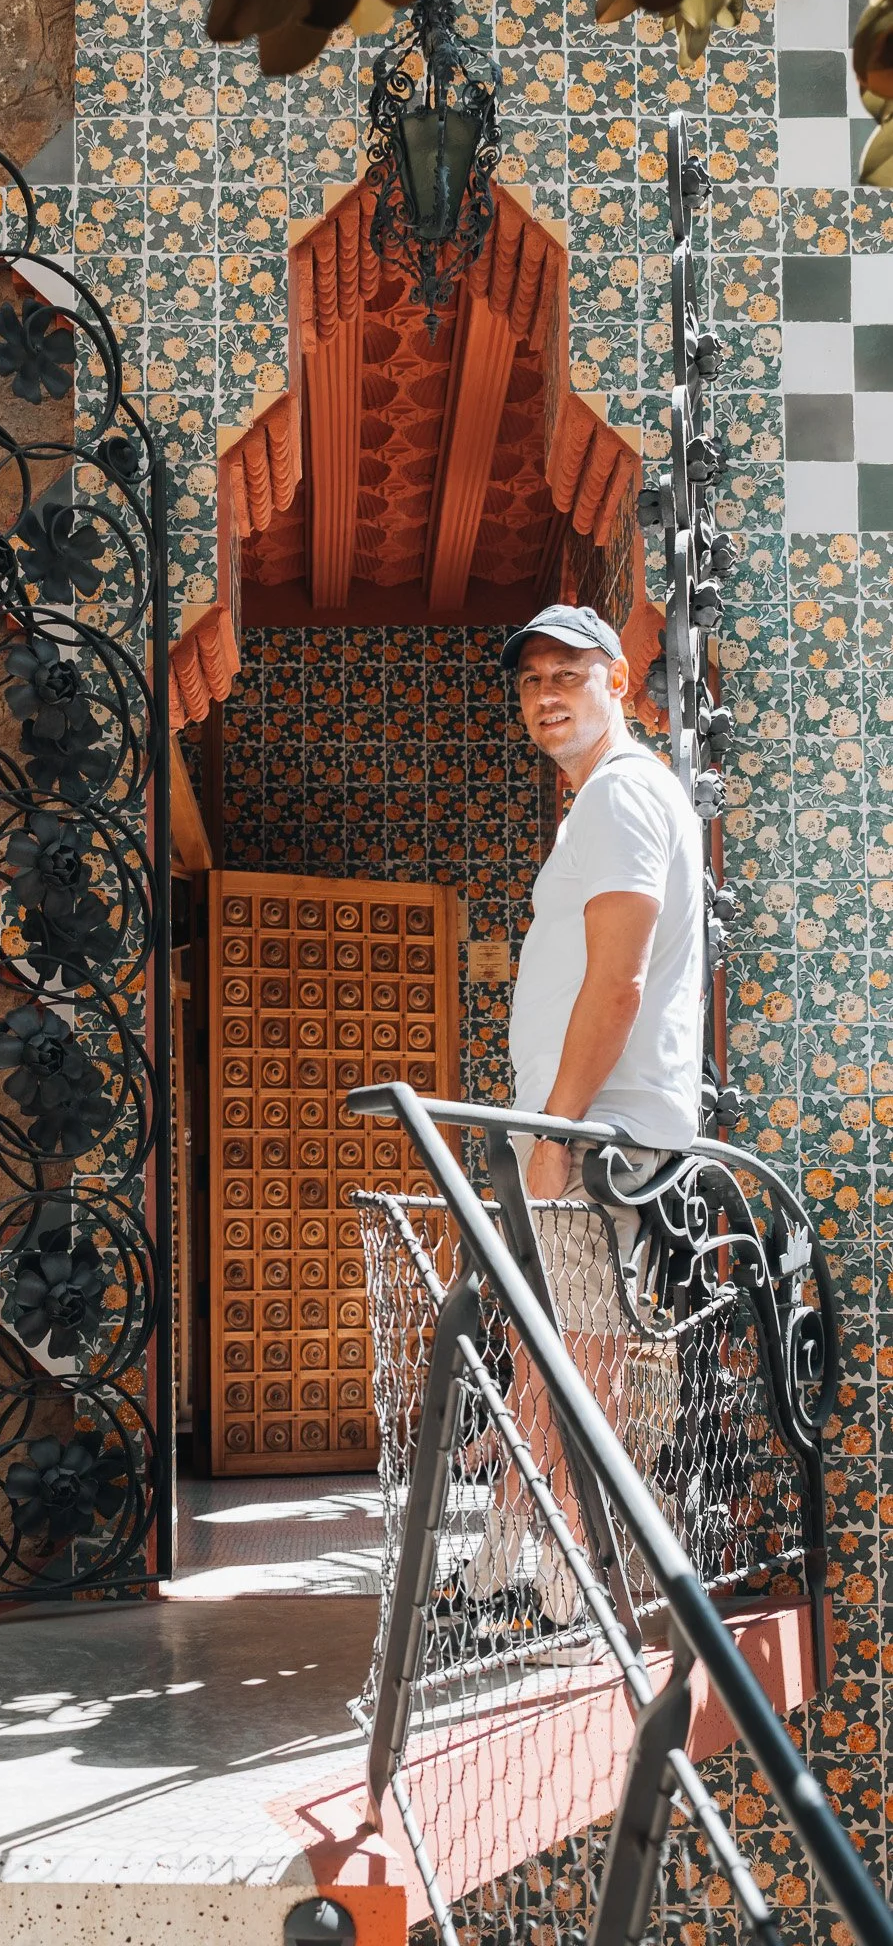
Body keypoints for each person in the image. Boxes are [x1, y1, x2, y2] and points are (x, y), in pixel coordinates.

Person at [460, 602, 704, 1637]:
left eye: (568, 674)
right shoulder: (607, 801)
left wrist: (555, 1132)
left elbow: (618, 981)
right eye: (530, 681)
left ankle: (571, 1592)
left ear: (618, 681)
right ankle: (501, 1560)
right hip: (581, 1123)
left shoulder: (620, 794)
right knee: (544, 1346)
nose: (545, 695)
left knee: (580, 1360)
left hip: (595, 1133)